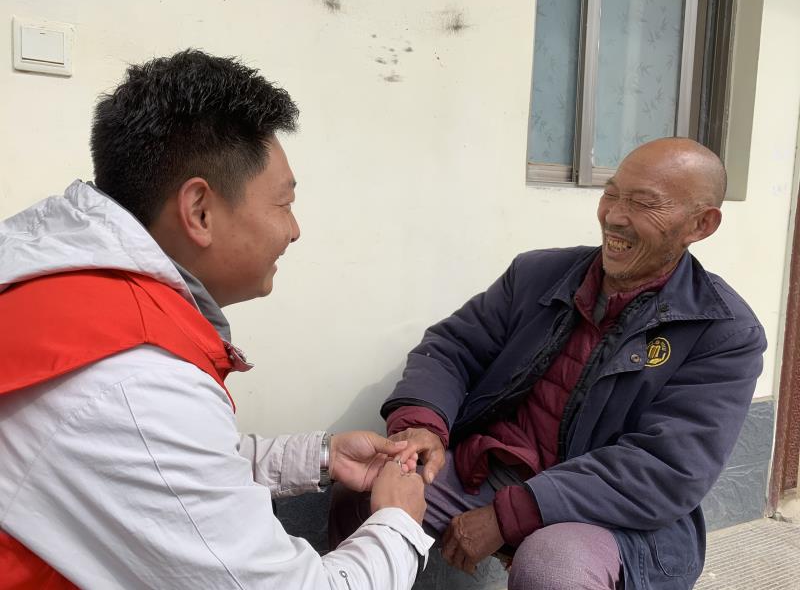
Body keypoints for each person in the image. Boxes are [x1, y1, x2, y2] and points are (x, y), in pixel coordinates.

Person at [0, 49, 432, 589]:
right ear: (199, 211)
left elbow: (166, 471)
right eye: (283, 204)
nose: (294, 231)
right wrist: (397, 522)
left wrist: (318, 456)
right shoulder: (136, 380)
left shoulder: (55, 275)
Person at [329, 138, 768, 590]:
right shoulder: (539, 275)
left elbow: (665, 469)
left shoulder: (723, 332)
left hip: (612, 514)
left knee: (552, 568)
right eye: (612, 194)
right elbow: (452, 349)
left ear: (700, 224)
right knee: (373, 494)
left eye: (643, 203)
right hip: (498, 467)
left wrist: (510, 514)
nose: (615, 216)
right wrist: (421, 426)